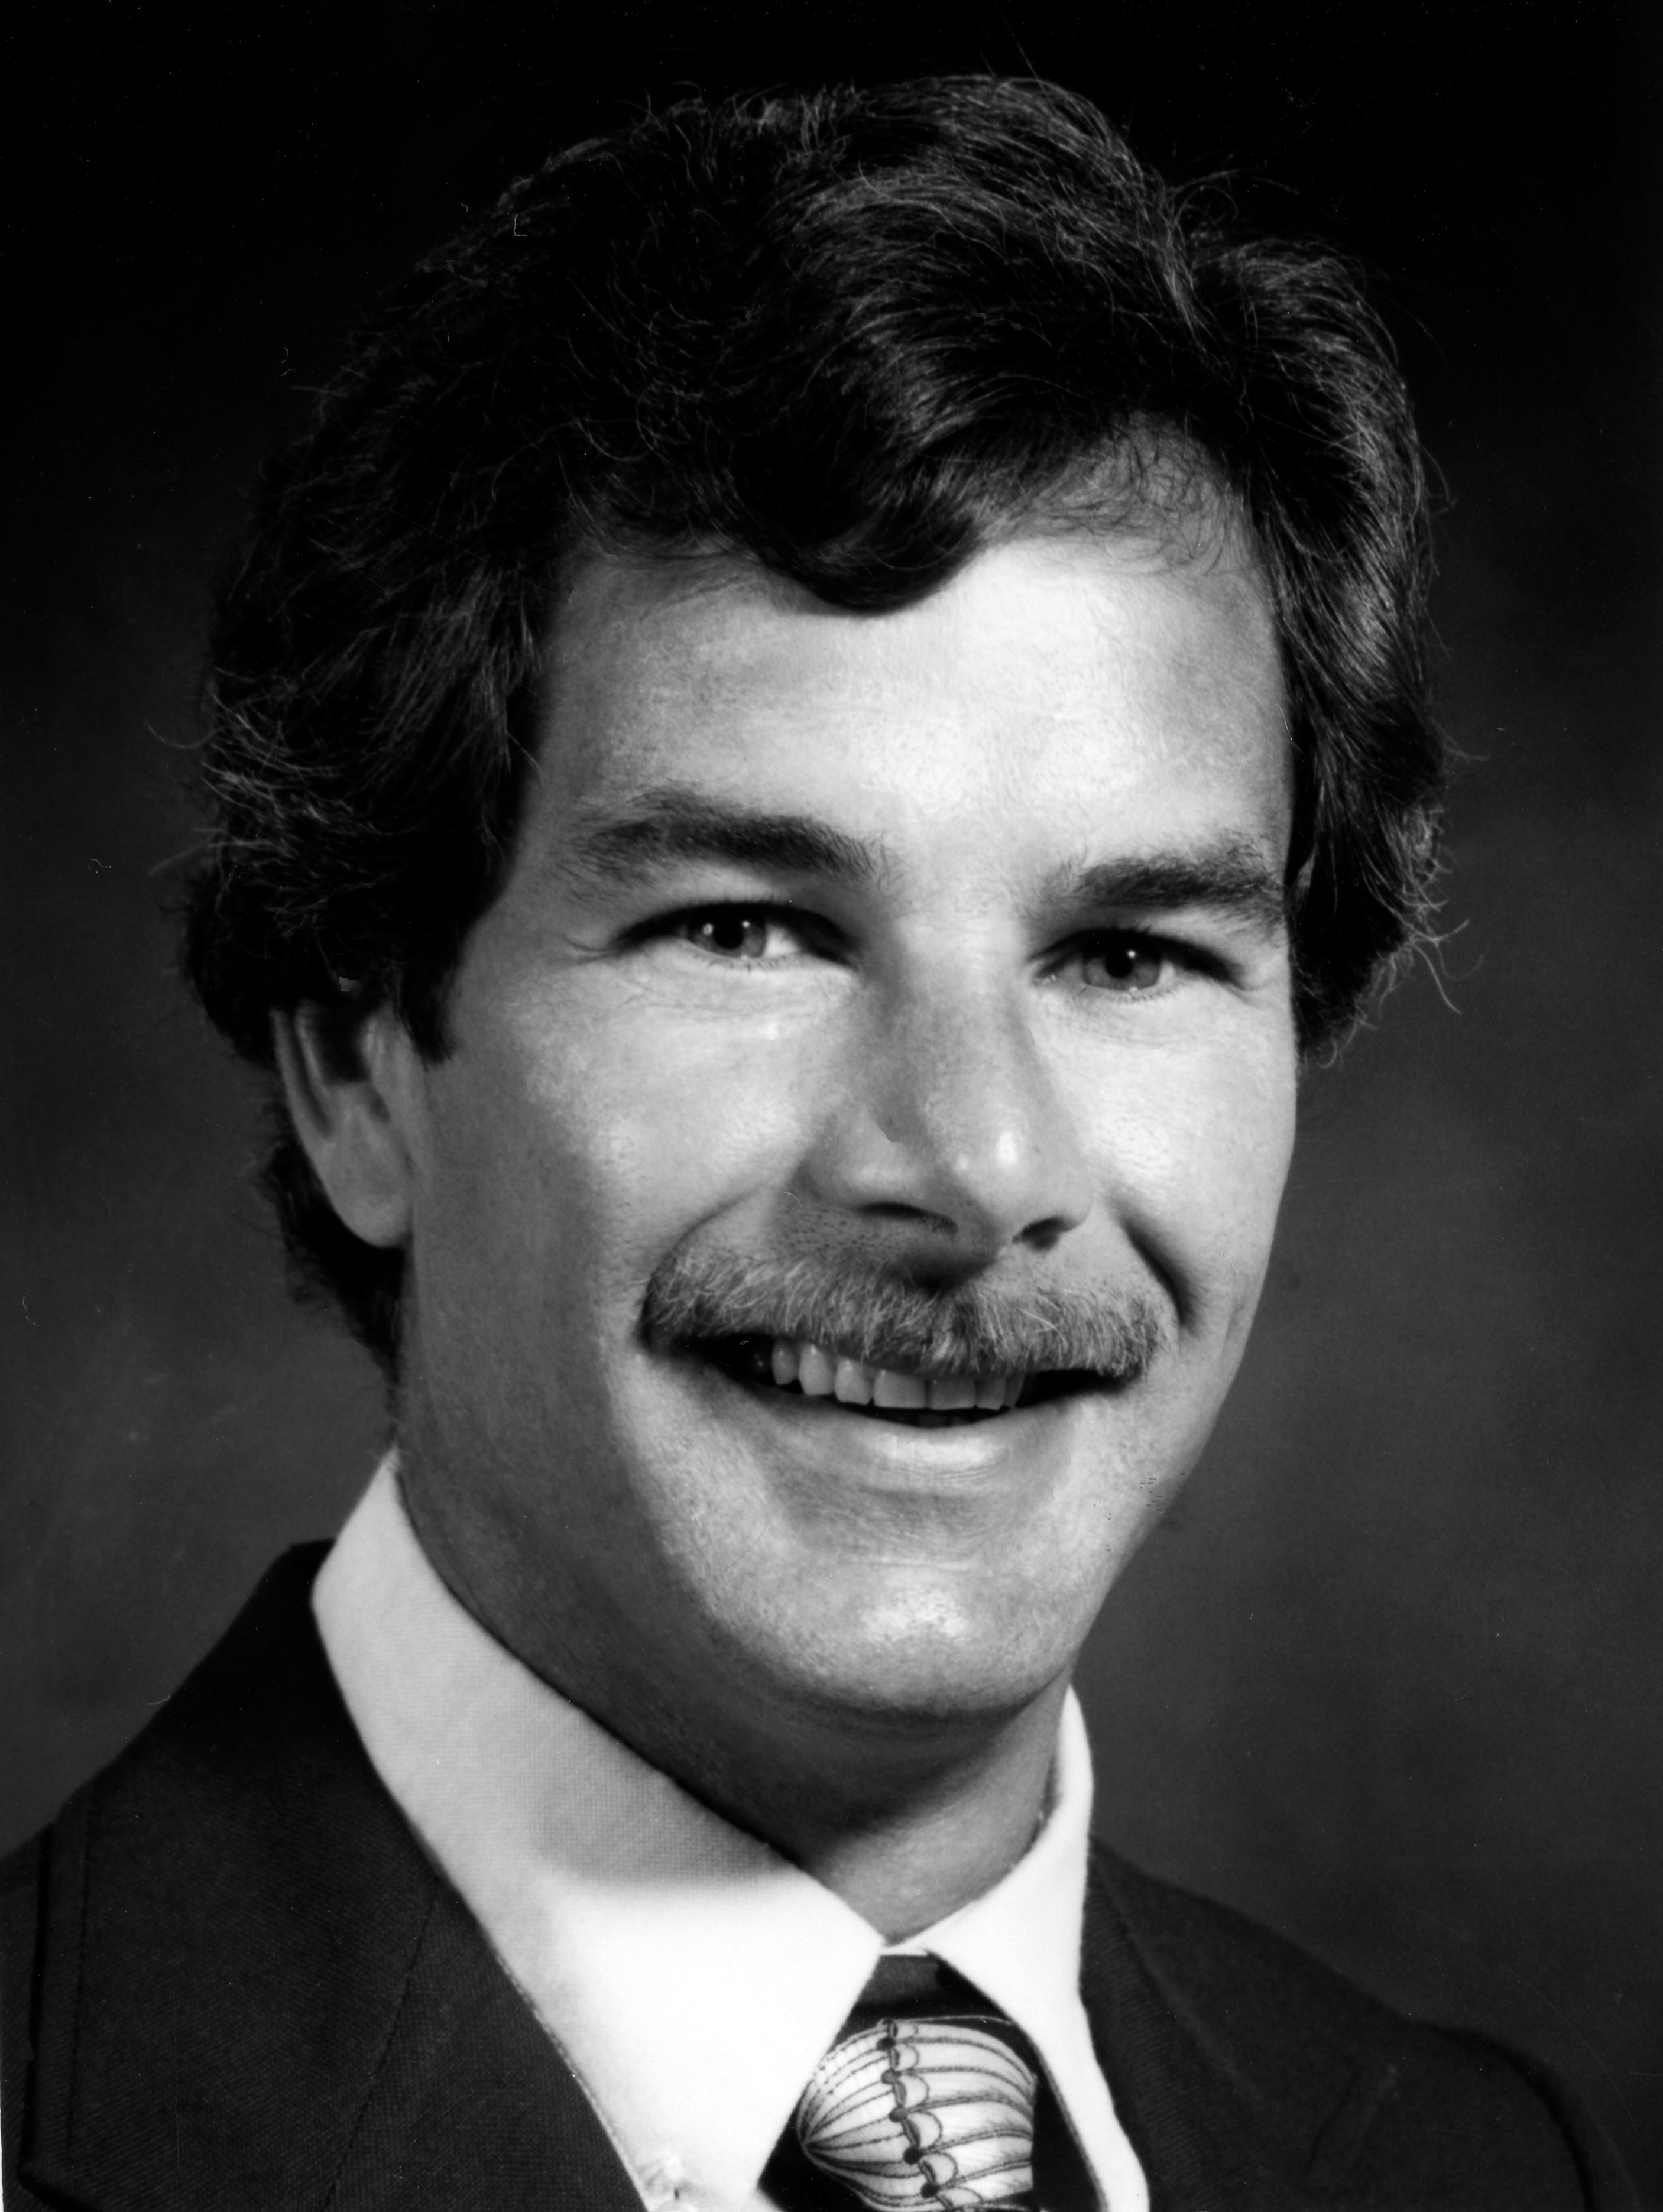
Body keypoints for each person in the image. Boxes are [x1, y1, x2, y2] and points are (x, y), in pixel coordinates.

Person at [0, 75, 1635, 2212]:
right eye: (747, 928)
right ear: (358, 1062)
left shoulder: (1493, 2172)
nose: (977, 1166)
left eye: (1129, 952)